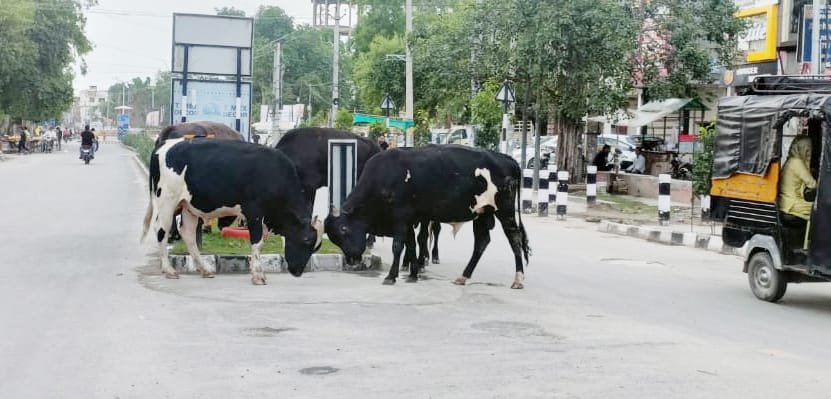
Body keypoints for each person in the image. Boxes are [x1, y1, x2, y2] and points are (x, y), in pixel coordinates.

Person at [779, 136, 817, 221]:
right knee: (822, 209)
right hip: (793, 205)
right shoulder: (797, 163)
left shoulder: (790, 161)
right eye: (808, 150)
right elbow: (813, 184)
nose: (809, 153)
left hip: (785, 202)